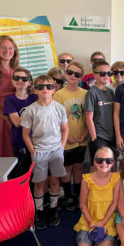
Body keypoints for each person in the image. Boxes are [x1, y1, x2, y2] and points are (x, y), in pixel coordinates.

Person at [21, 75, 69, 229]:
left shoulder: (59, 108)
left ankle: (53, 209)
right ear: (35, 90)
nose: (45, 90)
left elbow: (65, 129)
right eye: (41, 87)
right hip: (39, 151)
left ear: (54, 89)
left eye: (48, 87)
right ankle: (40, 211)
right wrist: (33, 151)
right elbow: (25, 134)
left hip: (56, 150)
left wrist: (62, 146)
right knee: (39, 183)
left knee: (55, 181)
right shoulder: (30, 110)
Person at [73, 147, 121, 246]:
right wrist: (91, 222)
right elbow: (83, 204)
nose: (104, 163)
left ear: (113, 163)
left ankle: (105, 240)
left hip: (107, 220)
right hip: (89, 220)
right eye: (100, 160)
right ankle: (89, 239)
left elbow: (114, 203)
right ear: (95, 162)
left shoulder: (116, 178)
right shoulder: (87, 179)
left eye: (108, 160)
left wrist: (103, 223)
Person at [53, 61, 87, 211]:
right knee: (67, 169)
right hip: (66, 140)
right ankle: (68, 196)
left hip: (82, 139)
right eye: (70, 73)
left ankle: (79, 195)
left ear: (81, 77)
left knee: (79, 167)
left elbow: (89, 117)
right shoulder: (59, 95)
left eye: (77, 74)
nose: (73, 76)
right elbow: (55, 120)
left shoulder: (85, 94)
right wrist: (65, 136)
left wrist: (85, 134)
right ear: (65, 73)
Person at [3, 67, 38, 178]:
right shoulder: (9, 100)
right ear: (12, 81)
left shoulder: (36, 97)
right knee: (22, 175)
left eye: (24, 79)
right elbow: (17, 122)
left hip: (37, 142)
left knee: (37, 174)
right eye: (17, 78)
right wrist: (33, 109)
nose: (20, 81)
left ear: (30, 82)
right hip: (20, 143)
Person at [0, 35, 19, 157]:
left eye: (11, 48)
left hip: (14, 115)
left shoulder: (16, 70)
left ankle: (12, 177)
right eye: (3, 47)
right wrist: (6, 117)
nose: (7, 51)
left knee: (11, 153)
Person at [86, 60, 115, 165]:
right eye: (102, 73)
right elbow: (89, 118)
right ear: (95, 75)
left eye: (109, 73)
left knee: (110, 165)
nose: (106, 76)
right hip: (99, 137)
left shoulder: (111, 92)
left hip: (111, 136)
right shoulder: (91, 92)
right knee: (97, 166)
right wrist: (94, 138)